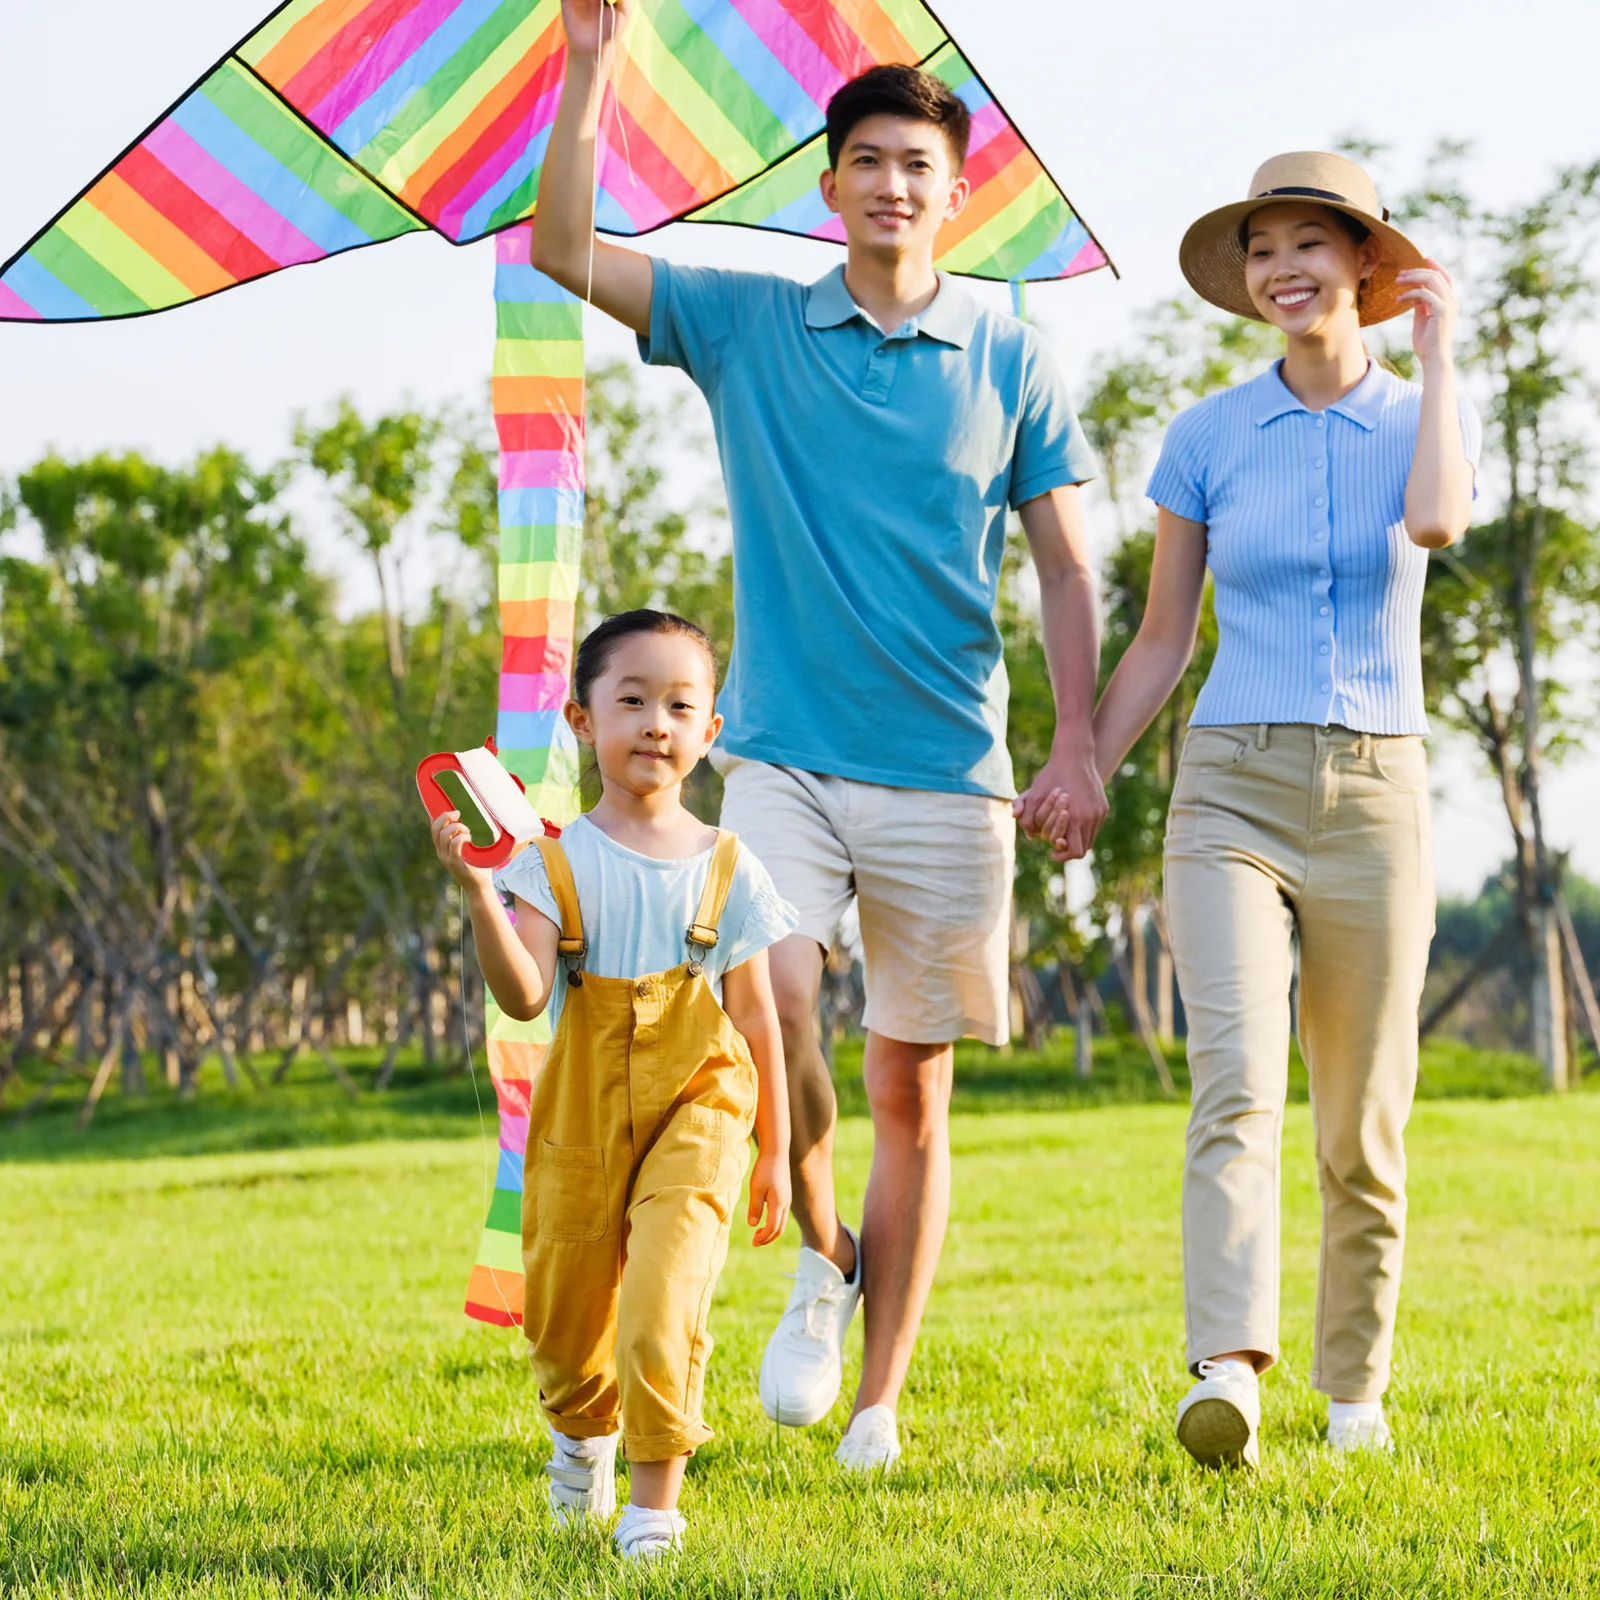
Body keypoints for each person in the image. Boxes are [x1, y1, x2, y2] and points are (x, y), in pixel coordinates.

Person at [530, 0, 1105, 1471]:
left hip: (953, 774)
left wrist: (1077, 744)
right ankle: (821, 1250)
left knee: (913, 1088)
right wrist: (590, 70)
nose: (892, 185)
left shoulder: (1010, 356)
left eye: (919, 164)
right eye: (868, 161)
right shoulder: (747, 322)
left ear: (954, 191)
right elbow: (564, 250)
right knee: (769, 1001)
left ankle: (878, 1401)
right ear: (828, 183)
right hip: (782, 753)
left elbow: (1064, 567)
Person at [1092, 153, 1479, 1468]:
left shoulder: (1420, 416)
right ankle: (1229, 1371)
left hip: (1378, 791)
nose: (1282, 268)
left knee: (1362, 1118)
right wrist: (1086, 762)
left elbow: (1436, 523)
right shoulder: (1206, 437)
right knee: (1237, 1085)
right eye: (1262, 247)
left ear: (1366, 263)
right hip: (1230, 787)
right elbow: (1161, 638)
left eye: (1310, 242)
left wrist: (1441, 356)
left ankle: (1354, 1391)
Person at [431, 609, 797, 1562]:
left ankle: (653, 1512)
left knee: (663, 1298)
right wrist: (478, 895)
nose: (656, 724)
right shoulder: (551, 862)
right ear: (582, 720)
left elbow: (760, 1019)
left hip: (702, 1103)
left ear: (710, 730)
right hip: (582, 1110)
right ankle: (581, 1440)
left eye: (680, 705)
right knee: (567, 1319)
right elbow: (525, 995)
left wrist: (779, 1150)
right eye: (632, 701)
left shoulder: (730, 866)